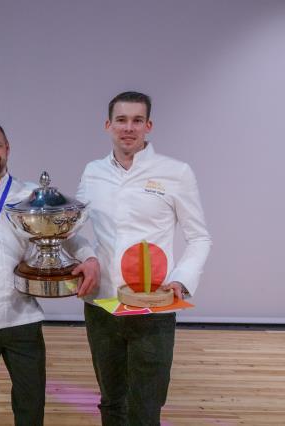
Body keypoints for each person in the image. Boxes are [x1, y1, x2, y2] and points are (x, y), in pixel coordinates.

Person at [0, 120, 100, 426]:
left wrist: (89, 258)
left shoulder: (30, 195)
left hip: (21, 317)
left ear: (7, 149)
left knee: (31, 405)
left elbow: (65, 234)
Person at [77, 91, 212, 425]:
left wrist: (181, 279)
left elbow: (199, 237)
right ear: (108, 125)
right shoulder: (93, 172)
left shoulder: (175, 172)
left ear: (148, 126)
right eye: (121, 120)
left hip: (153, 307)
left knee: (147, 406)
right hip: (102, 305)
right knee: (111, 402)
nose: (129, 128)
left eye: (137, 120)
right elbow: (74, 230)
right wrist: (87, 256)